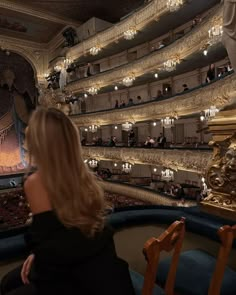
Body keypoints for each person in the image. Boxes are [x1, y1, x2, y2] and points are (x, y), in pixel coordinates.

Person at [0, 108, 134, 295]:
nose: (25, 134)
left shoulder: (36, 182)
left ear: (41, 142)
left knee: (8, 284)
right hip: (105, 269)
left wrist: (38, 254)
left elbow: (46, 251)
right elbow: (72, 232)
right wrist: (37, 255)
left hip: (76, 278)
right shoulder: (81, 177)